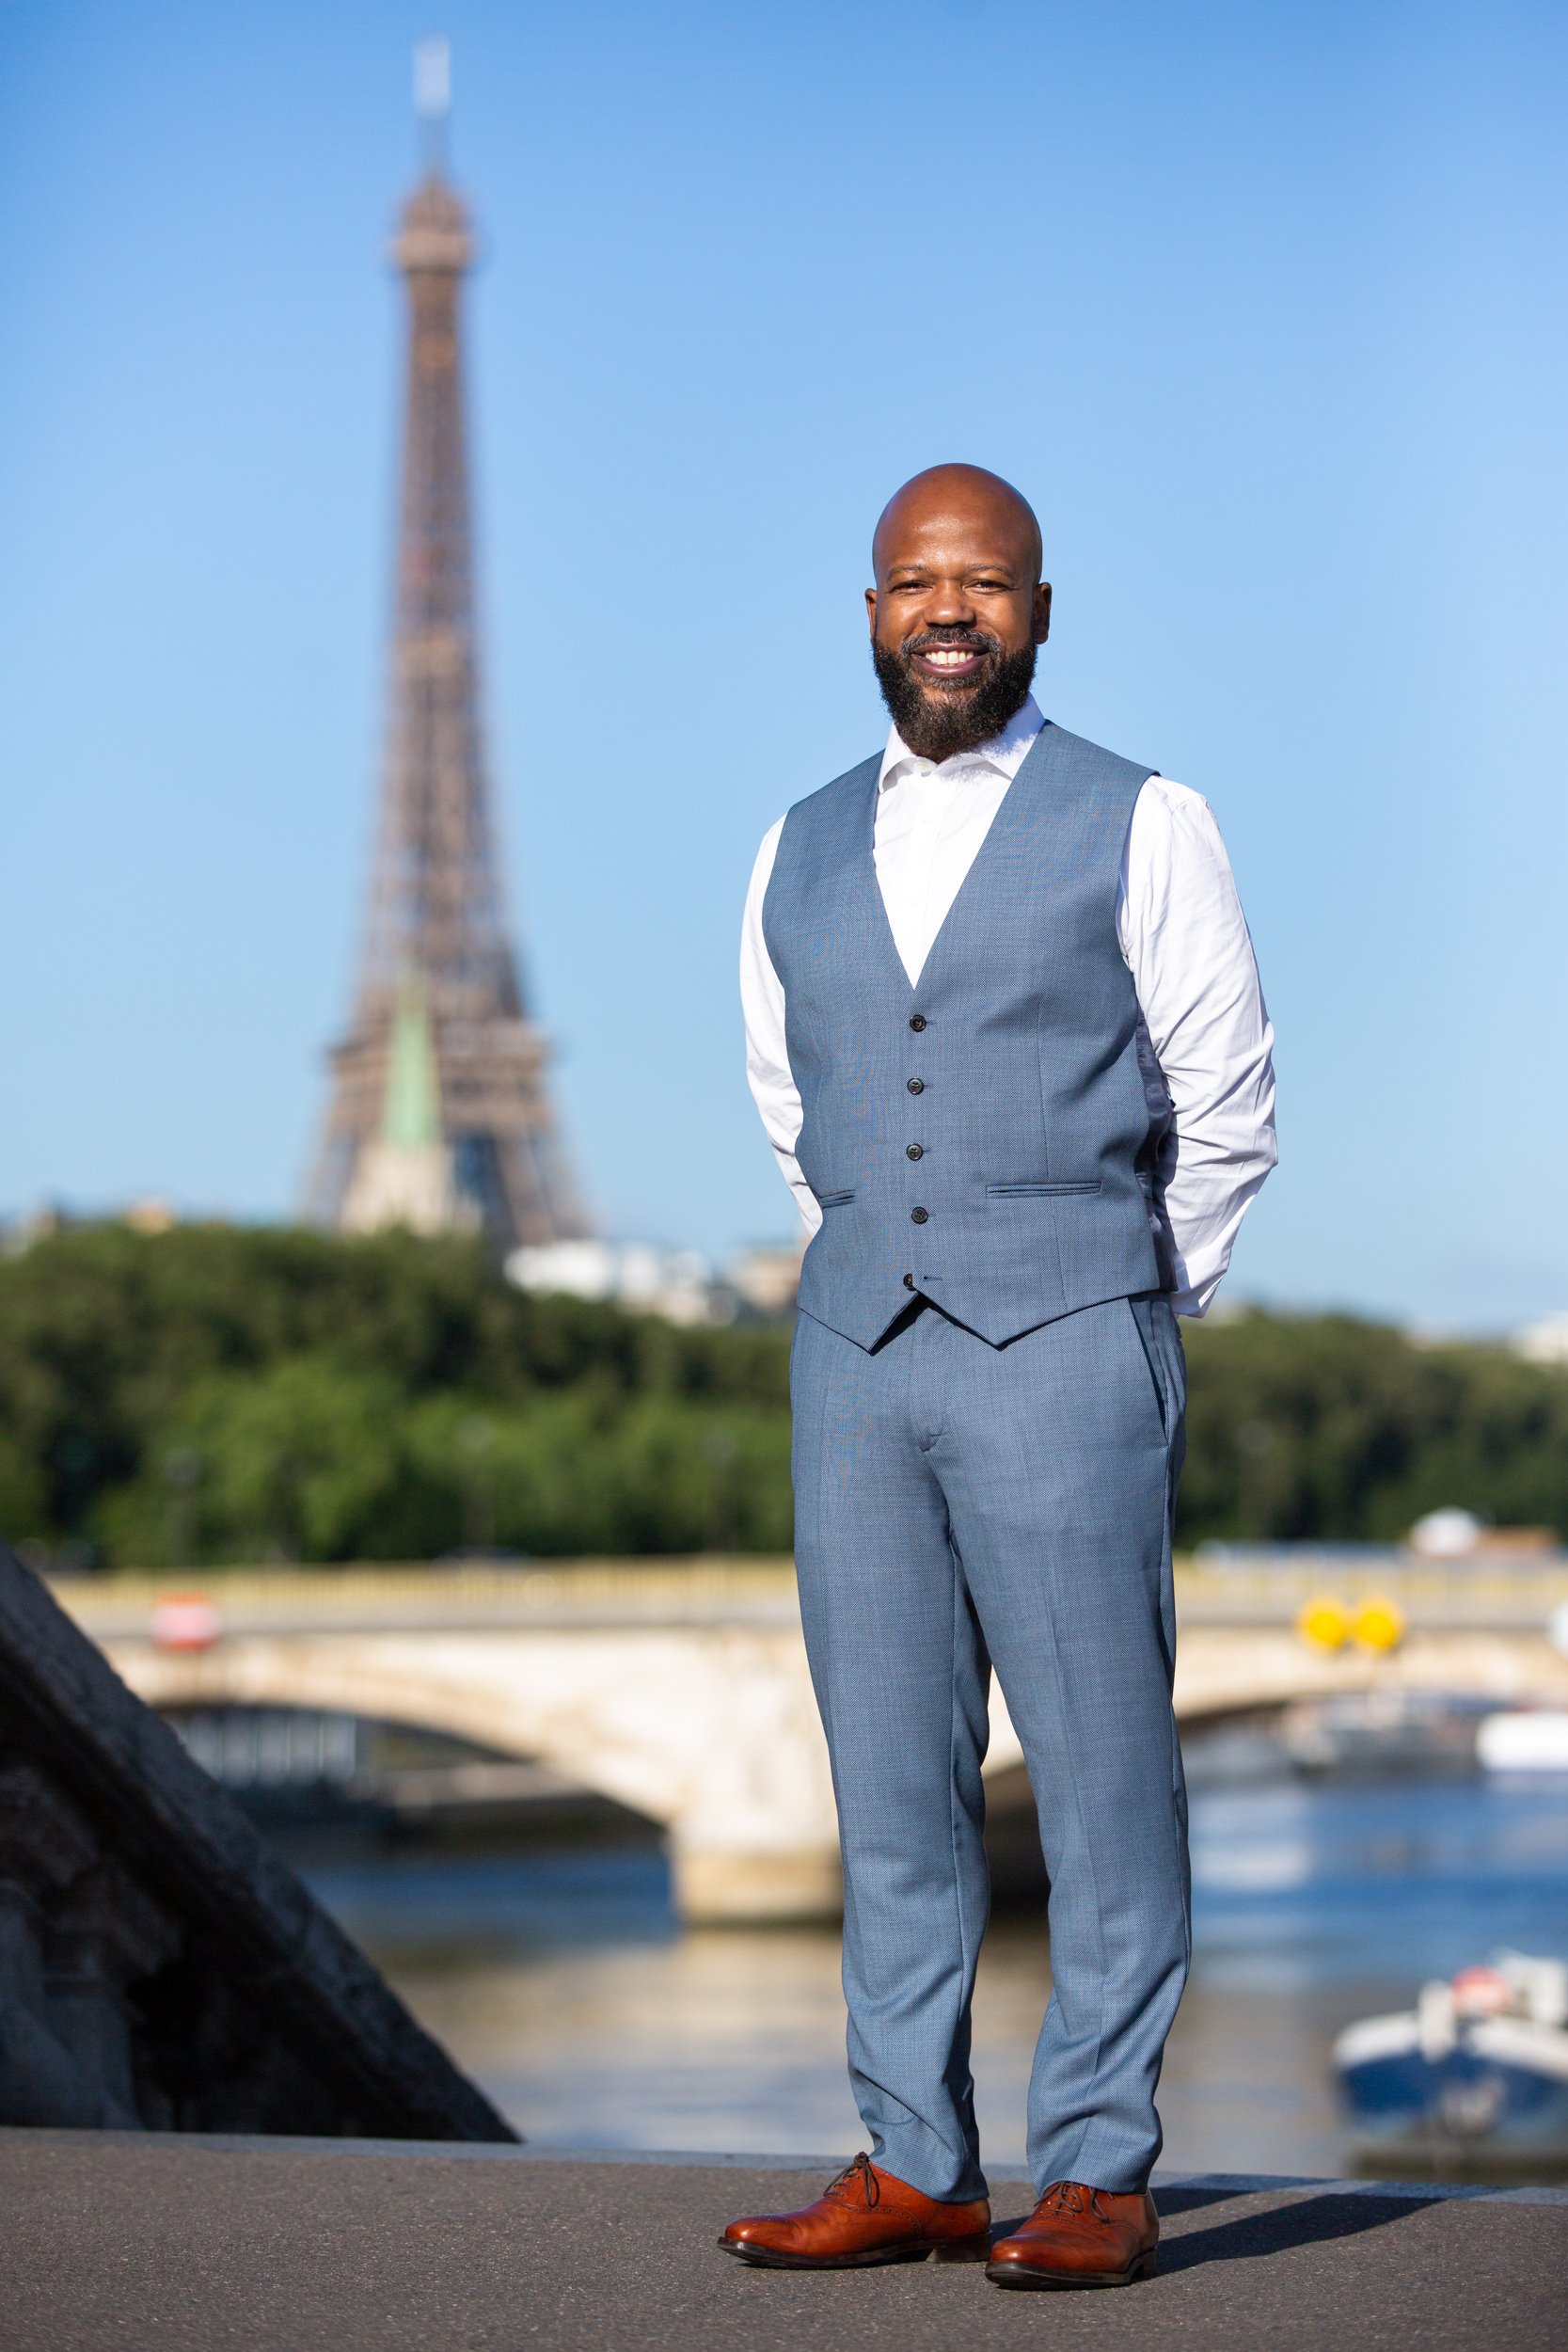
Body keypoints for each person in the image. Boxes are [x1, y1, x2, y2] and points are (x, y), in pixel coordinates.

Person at [721, 464, 1276, 2289]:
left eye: (982, 581)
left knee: (1109, 1775)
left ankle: (1098, 2157)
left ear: (1039, 605)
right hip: (855, 1356)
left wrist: (1117, 1292)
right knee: (889, 1779)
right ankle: (916, 2153)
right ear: (870, 611)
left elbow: (1227, 1099)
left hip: (1069, 1341)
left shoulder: (1146, 816)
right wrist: (888, 1242)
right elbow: (797, 1108)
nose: (945, 609)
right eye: (912, 582)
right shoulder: (791, 842)